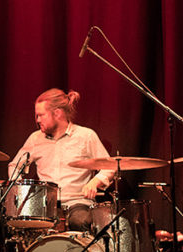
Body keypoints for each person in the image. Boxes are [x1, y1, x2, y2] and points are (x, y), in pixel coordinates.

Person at [8, 89, 114, 232]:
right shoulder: (35, 138)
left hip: (77, 202)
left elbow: (110, 166)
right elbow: (15, 165)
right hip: (45, 205)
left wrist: (94, 182)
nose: (37, 120)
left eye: (41, 115)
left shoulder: (86, 136)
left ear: (57, 113)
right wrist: (19, 187)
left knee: (80, 221)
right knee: (13, 224)